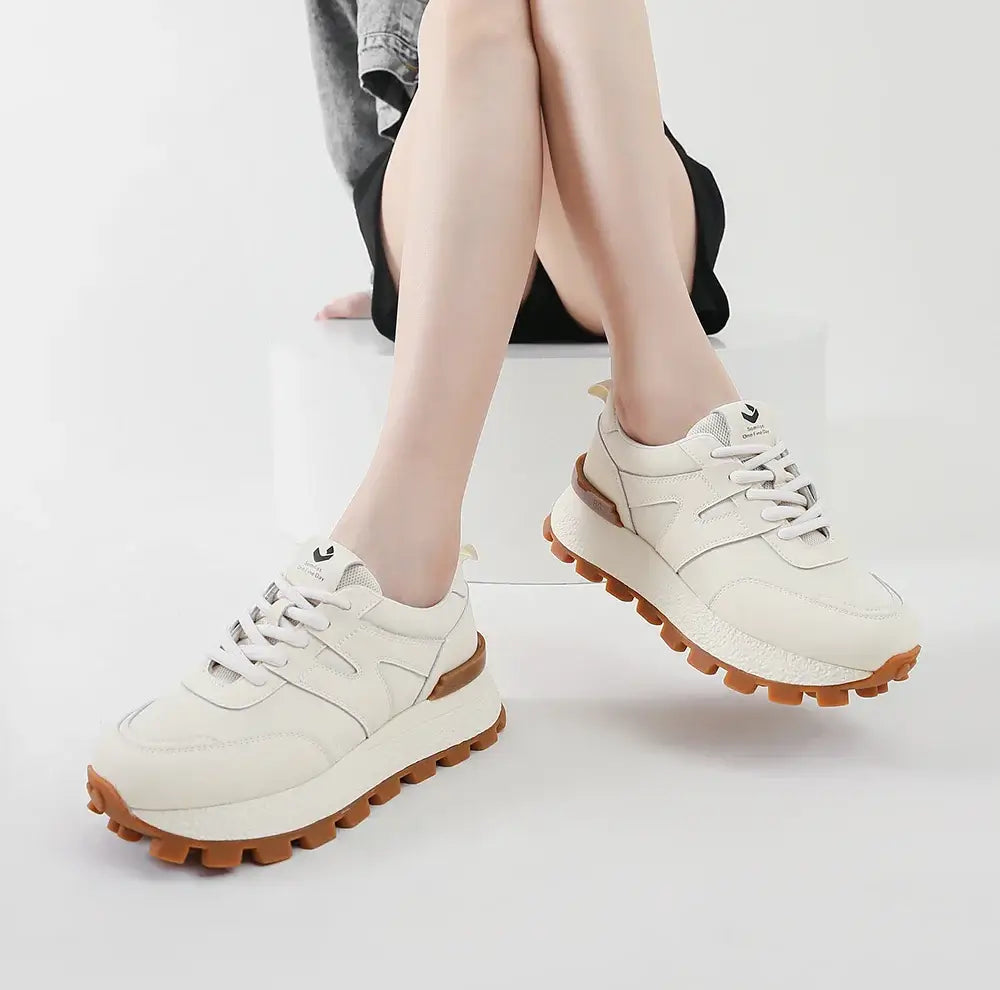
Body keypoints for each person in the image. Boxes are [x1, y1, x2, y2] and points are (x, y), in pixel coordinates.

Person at [84, 0, 921, 868]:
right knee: (471, 15)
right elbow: (368, 105)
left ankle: (646, 426)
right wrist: (411, 242)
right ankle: (425, 552)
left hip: (611, 190)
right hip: (450, 166)